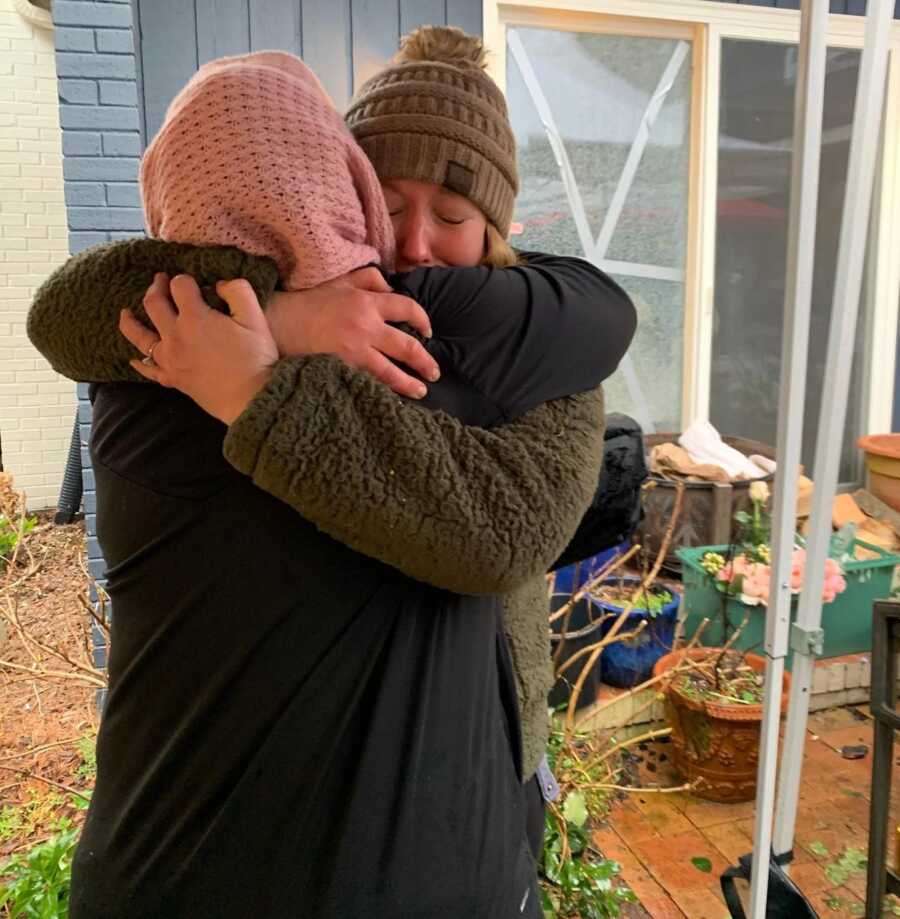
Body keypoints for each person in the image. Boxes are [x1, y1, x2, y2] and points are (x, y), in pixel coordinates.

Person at [28, 42, 635, 919]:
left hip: (479, 809)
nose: (417, 243)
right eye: (387, 204)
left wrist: (261, 380)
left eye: (454, 213)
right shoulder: (181, 337)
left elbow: (510, 523)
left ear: (497, 227)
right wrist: (279, 313)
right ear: (338, 193)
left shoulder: (529, 354)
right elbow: (63, 311)